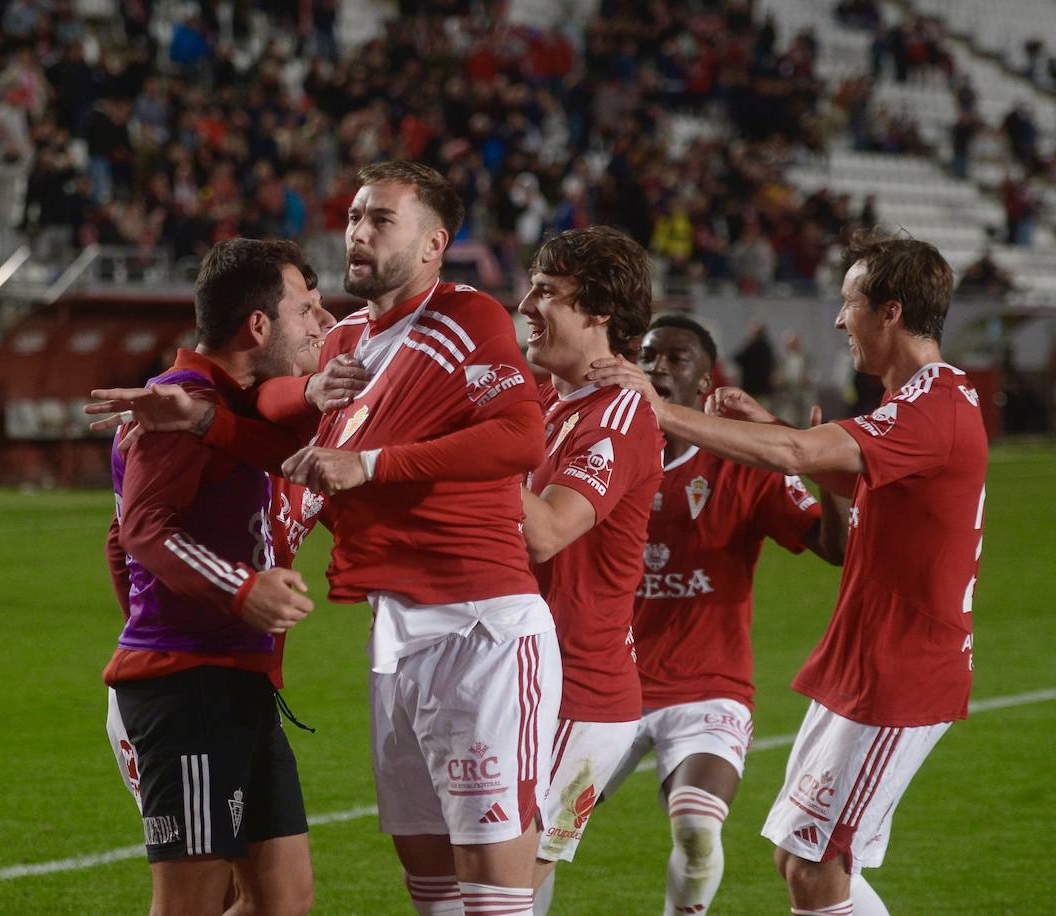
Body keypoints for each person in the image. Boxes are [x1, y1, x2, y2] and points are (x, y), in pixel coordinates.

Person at [89, 161, 558, 916]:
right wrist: (214, 419)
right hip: (357, 644)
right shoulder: (336, 350)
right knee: (424, 890)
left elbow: (520, 437)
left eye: (381, 220)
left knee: (471, 894)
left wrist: (362, 460)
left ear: (436, 243)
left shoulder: (468, 316)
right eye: (354, 217)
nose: (357, 233)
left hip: (478, 627)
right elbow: (243, 450)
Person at [589, 231, 988, 915]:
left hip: (903, 672)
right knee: (803, 860)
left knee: (817, 864)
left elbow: (799, 452)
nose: (839, 320)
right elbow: (823, 461)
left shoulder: (934, 408)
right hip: (864, 663)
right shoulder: (920, 402)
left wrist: (656, 407)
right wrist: (767, 422)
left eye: (850, 303)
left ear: (890, 312)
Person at [101, 238, 324, 916]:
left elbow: (117, 542)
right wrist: (238, 589)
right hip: (186, 687)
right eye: (307, 310)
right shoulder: (176, 403)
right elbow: (142, 530)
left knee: (284, 900)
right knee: (194, 902)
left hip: (232, 679)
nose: (322, 324)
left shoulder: (223, 407)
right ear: (259, 326)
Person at [599, 311, 848, 916]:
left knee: (697, 835)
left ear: (705, 385)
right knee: (533, 832)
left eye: (675, 358)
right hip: (604, 683)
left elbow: (834, 549)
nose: (657, 366)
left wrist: (831, 480)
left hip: (707, 690)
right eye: (648, 355)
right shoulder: (599, 456)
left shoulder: (741, 468)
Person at [512, 226, 663, 914]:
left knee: (508, 887)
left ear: (600, 308)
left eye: (547, 291)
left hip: (587, 704)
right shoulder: (544, 403)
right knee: (498, 886)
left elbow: (544, 532)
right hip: (523, 681)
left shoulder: (623, 411)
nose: (526, 303)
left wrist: (466, 453)